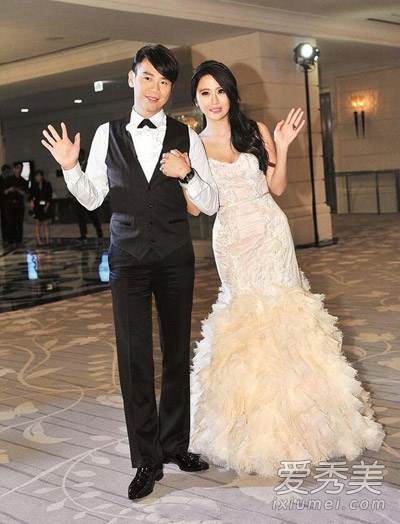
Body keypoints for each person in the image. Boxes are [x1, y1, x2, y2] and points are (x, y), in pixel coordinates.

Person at [161, 60, 384, 477]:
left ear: (231, 94)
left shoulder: (255, 131)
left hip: (270, 230)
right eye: (205, 93)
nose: (214, 100)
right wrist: (186, 174)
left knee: (287, 313)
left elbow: (275, 186)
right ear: (196, 100)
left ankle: (313, 423)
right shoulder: (192, 145)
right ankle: (253, 429)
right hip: (232, 238)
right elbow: (197, 208)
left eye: (220, 91)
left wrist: (281, 146)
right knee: (246, 319)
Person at [41, 44, 218, 500]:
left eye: (165, 81)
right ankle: (147, 459)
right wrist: (70, 167)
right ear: (131, 78)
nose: (155, 88)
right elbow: (92, 198)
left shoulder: (187, 136)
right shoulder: (107, 133)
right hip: (127, 259)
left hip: (176, 256)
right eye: (148, 77)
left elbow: (210, 202)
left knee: (176, 352)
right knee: (134, 358)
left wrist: (187, 175)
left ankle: (175, 444)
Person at [73, 148, 104, 241]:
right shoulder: (76, 166)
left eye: (80, 155)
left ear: (83, 155)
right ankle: (83, 234)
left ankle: (99, 231)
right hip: (79, 196)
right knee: (80, 217)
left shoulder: (89, 165)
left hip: (89, 195)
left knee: (93, 215)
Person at [4, 161, 28, 246]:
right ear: (14, 169)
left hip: (19, 203)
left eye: (20, 168)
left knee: (19, 222)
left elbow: (25, 193)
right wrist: (10, 189)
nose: (19, 170)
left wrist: (17, 190)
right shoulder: (8, 180)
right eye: (17, 168)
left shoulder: (23, 181)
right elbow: (4, 192)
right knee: (10, 222)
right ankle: (10, 239)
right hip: (10, 203)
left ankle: (18, 239)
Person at [29, 169, 53, 246]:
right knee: (37, 223)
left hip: (45, 204)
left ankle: (47, 240)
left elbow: (49, 196)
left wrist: (47, 205)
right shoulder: (34, 186)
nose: (37, 177)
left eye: (38, 175)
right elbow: (31, 196)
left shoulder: (47, 184)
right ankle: (39, 241)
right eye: (36, 176)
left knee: (46, 223)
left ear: (41, 176)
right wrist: (31, 203)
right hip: (37, 206)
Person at [0, 164, 12, 244]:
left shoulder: (10, 180)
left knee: (11, 221)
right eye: (6, 172)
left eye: (8, 172)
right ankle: (5, 238)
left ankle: (11, 238)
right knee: (4, 221)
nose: (7, 173)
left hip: (10, 202)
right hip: (2, 203)